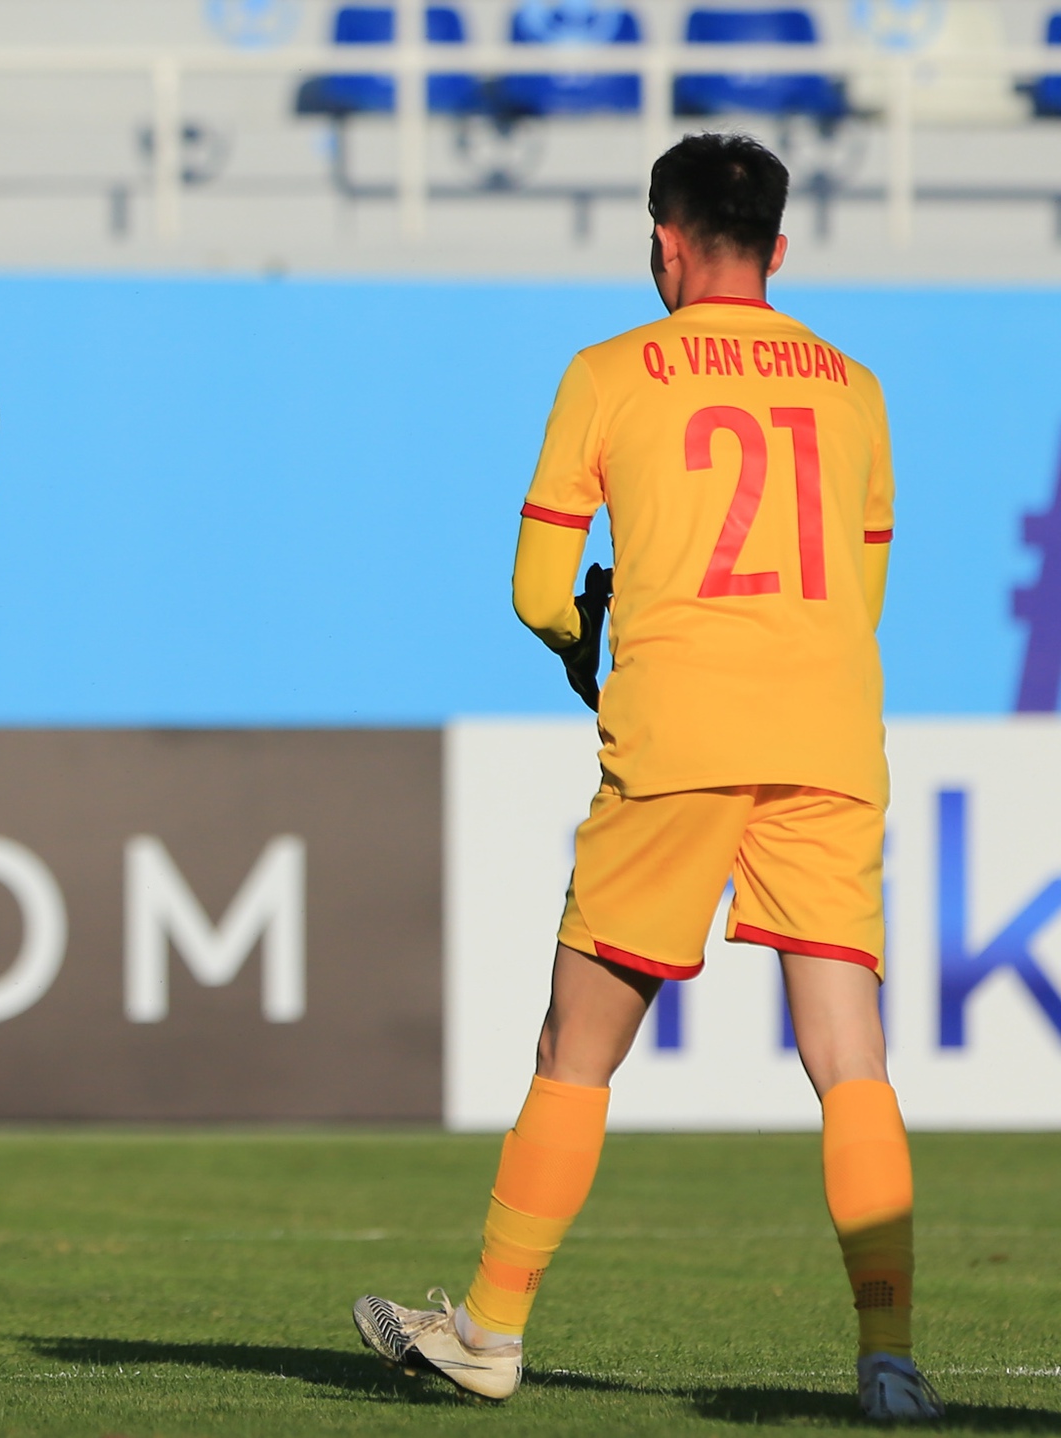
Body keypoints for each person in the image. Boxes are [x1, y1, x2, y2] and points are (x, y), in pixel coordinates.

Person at [352, 133, 944, 1423]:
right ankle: (888, 1359)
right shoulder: (853, 386)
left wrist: (582, 643)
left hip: (679, 736)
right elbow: (864, 590)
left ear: (664, 240)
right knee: (850, 1061)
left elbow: (532, 593)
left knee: (575, 1049)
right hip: (828, 735)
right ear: (776, 249)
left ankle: (490, 1334)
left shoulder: (607, 372)